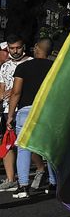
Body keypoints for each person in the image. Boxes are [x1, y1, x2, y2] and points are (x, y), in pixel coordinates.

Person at [7, 38, 56, 200]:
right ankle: (53, 183)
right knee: (48, 149)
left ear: (36, 48)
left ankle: (23, 186)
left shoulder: (23, 67)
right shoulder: (55, 67)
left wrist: (10, 115)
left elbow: (16, 92)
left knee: (23, 148)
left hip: (26, 110)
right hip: (48, 111)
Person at [0, 38, 29, 192]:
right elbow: (2, 87)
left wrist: (14, 91)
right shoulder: (5, 66)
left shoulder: (30, 62)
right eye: (12, 48)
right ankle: (11, 179)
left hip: (24, 107)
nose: (15, 51)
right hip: (7, 109)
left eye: (18, 47)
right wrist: (3, 94)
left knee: (25, 143)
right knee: (8, 143)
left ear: (23, 47)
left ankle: (39, 170)